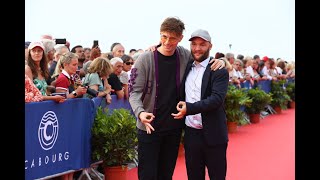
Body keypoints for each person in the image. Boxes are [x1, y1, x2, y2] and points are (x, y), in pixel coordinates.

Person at [128, 17, 225, 180]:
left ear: (180, 38)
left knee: (166, 175)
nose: (167, 42)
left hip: (173, 129)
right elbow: (134, 92)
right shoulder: (145, 59)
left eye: (172, 38)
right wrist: (140, 113)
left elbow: (203, 58)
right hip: (149, 127)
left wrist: (222, 61)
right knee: (147, 175)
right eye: (163, 37)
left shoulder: (185, 56)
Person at [171, 29, 229, 180]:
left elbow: (217, 99)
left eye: (202, 45)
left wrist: (189, 108)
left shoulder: (218, 69)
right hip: (191, 135)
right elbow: (168, 47)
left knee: (217, 176)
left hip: (214, 134)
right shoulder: (186, 67)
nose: (197, 48)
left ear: (210, 46)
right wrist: (154, 47)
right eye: (194, 44)